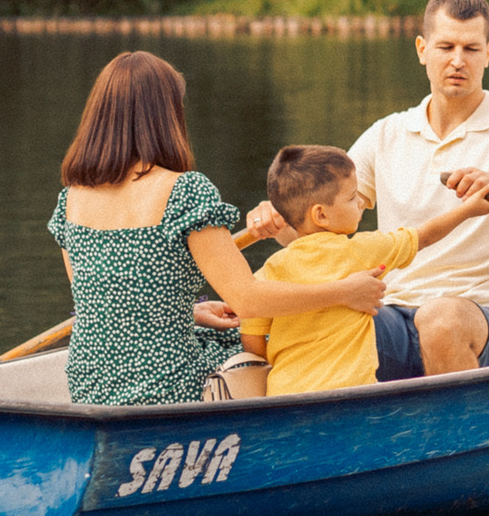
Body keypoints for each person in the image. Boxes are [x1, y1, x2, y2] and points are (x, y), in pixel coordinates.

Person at [247, 0, 489, 379]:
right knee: (308, 317)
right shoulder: (386, 134)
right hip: (391, 315)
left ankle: (466, 437)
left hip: (479, 318)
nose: (458, 61)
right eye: (446, 47)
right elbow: (320, 229)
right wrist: (281, 222)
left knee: (440, 320)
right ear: (422, 50)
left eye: (471, 49)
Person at [49, 51, 385, 407]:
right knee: (275, 342)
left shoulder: (70, 199)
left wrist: (185, 310)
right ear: (164, 117)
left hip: (88, 384)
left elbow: (104, 299)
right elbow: (248, 300)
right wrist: (343, 291)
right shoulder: (184, 191)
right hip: (165, 386)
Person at [237, 145, 489, 395]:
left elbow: (253, 338)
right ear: (321, 215)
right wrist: (468, 209)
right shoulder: (362, 251)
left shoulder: (268, 271)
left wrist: (283, 361)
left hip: (285, 392)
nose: (361, 204)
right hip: (349, 391)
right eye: (352, 198)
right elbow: (425, 236)